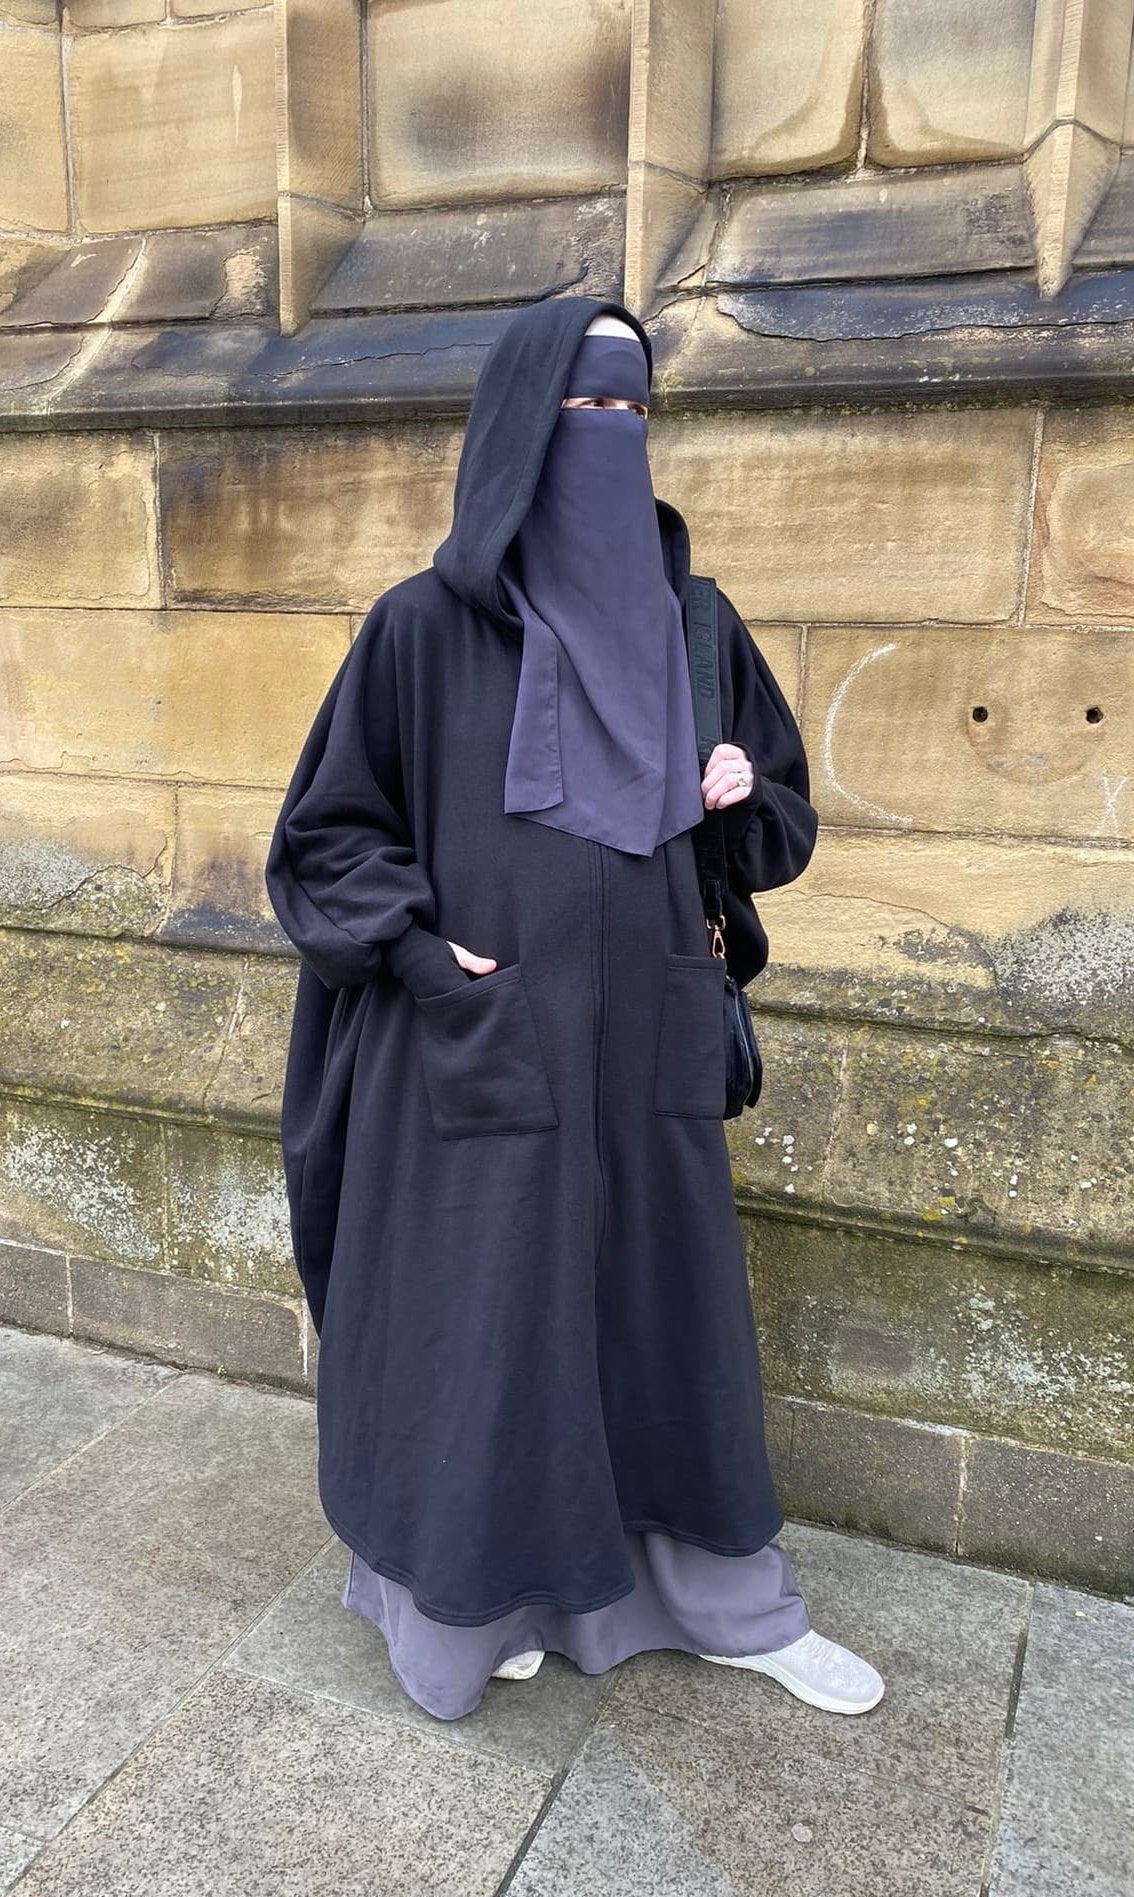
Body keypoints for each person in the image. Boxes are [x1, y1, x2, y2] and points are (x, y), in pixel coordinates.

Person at [265, 294, 884, 1723]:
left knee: (662, 1332)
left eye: (632, 411)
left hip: (650, 1050)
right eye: (580, 413)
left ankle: (731, 1608)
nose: (610, 439)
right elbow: (328, 837)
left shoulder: (699, 628)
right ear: (514, 434)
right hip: (479, 1052)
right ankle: (487, 1606)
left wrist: (739, 797)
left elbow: (777, 835)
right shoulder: (421, 630)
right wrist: (425, 964)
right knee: (489, 1339)